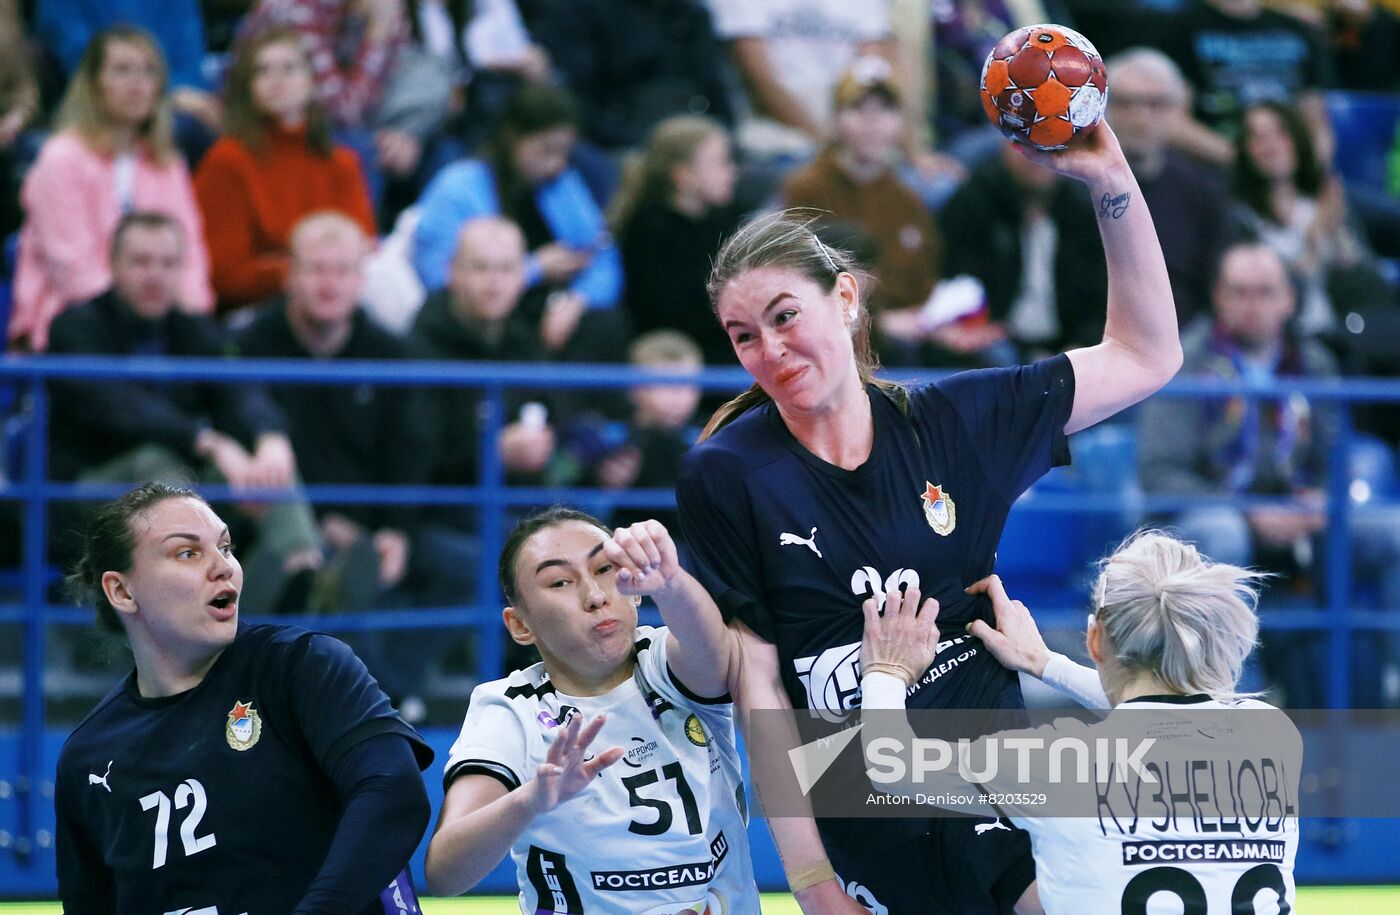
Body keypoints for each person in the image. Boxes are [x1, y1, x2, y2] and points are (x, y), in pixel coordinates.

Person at [676, 116, 1183, 913]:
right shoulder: (727, 472)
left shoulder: (953, 421)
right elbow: (761, 689)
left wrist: (1112, 185)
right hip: (867, 812)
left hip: (998, 789)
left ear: (845, 297)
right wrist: (810, 879)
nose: (769, 351)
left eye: (783, 316)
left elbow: (1146, 354)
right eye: (743, 336)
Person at [856, 531, 1299, 914]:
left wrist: (887, 670)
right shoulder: (1272, 735)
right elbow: (1167, 711)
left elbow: (890, 764)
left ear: (1094, 640)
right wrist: (1046, 664)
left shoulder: (1062, 762)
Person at [54, 482, 433, 914]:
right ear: (121, 591)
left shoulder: (301, 665)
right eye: (187, 553)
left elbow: (394, 791)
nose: (224, 567)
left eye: (227, 547)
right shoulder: (89, 756)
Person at [425, 507, 760, 912]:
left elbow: (715, 654)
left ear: (634, 588)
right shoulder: (509, 709)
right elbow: (444, 873)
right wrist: (532, 799)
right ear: (520, 625)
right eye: (560, 581)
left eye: (604, 569)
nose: (595, 596)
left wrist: (671, 582)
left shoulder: (667, 665)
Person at [1137, 240, 1400, 708]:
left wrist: (1323, 497)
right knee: (1223, 535)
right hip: (1212, 519)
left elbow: (1334, 456)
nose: (1251, 305)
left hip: (1301, 520)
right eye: (1239, 292)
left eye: (1264, 292)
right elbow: (1159, 472)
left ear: (1288, 300)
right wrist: (1247, 511)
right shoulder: (1186, 362)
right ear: (1218, 296)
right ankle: (1232, 702)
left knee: (1391, 532)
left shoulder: (1314, 363)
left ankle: (1386, 694)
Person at [46, 211, 323, 613]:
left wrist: (270, 437)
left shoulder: (192, 328)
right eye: (141, 262)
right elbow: (119, 408)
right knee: (157, 468)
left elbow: (237, 386)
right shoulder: (76, 327)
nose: (155, 275)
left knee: (265, 467)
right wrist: (206, 441)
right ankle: (203, 599)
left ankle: (307, 577)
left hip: (183, 482)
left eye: (167, 263)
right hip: (89, 487)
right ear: (113, 265)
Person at [9, 26, 213, 352]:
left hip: (160, 326)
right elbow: (73, 270)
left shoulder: (167, 163)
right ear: (94, 84)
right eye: (122, 70)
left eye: (148, 72)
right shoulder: (61, 158)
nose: (137, 83)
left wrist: (191, 314)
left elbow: (191, 256)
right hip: (77, 327)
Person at [412, 84, 626, 359]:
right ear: (514, 139)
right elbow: (437, 277)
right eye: (546, 150)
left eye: (564, 152)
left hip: (551, 310)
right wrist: (534, 269)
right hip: (485, 314)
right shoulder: (458, 186)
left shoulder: (563, 186)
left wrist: (575, 302)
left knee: (606, 325)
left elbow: (603, 257)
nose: (557, 164)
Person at [194, 25, 377, 313]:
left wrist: (314, 273)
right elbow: (224, 274)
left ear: (312, 83)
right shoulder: (226, 161)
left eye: (289, 68)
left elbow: (362, 250)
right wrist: (302, 275)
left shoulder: (343, 163)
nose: (276, 79)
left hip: (337, 302)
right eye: (262, 71)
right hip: (260, 308)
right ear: (247, 88)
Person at [779, 56, 944, 367]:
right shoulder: (804, 189)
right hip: (833, 342)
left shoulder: (908, 199)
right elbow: (799, 281)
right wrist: (881, 321)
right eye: (858, 109)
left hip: (907, 337)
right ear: (836, 119)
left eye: (885, 110)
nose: (873, 122)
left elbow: (924, 280)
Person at [1229, 101, 1382, 339]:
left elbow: (1373, 290)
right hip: (1277, 342)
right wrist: (1314, 240)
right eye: (1257, 137)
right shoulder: (1237, 216)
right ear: (1245, 150)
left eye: (1280, 133)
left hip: (1338, 337)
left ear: (1298, 140)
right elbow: (1261, 297)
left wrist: (1341, 241)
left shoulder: (1326, 204)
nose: (1271, 146)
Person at [1106, 48, 1229, 327]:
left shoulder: (1203, 191)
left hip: (1186, 342)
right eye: (1125, 103)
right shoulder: (1076, 188)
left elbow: (1213, 288)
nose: (1140, 118)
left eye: (1155, 104)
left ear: (1178, 111)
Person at [613, 114, 743, 367]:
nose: (733, 172)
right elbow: (669, 314)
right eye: (721, 162)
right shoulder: (647, 231)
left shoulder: (727, 221)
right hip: (675, 358)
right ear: (684, 175)